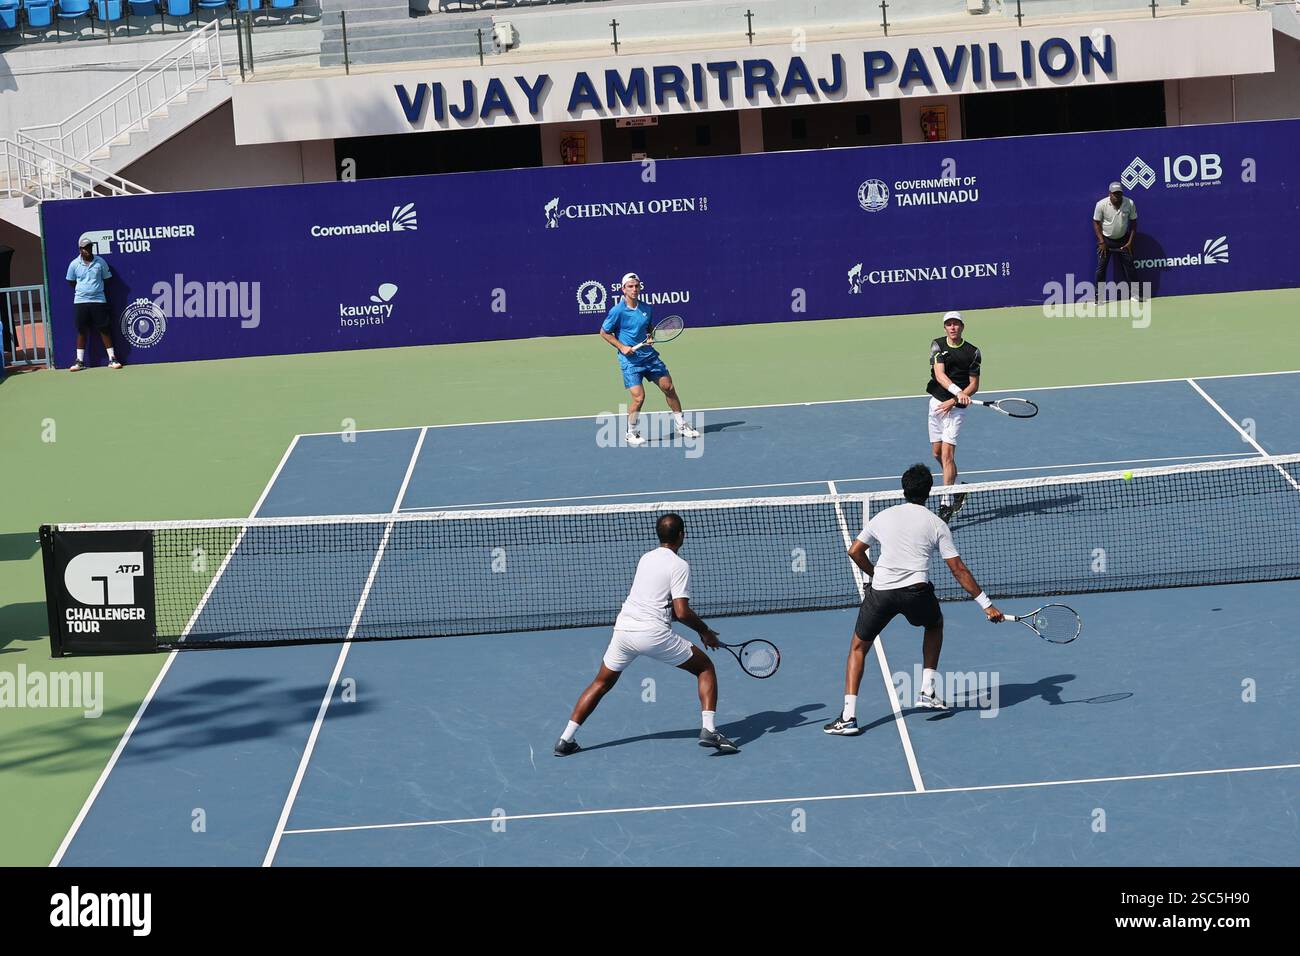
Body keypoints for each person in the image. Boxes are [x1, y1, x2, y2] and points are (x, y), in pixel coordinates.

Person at [824, 464, 1003, 734]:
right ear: (929, 492)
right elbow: (958, 569)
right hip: (916, 594)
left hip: (880, 593)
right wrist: (986, 605)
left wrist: (875, 574)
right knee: (934, 625)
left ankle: (848, 717)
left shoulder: (883, 516)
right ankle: (927, 690)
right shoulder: (936, 523)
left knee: (858, 648)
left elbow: (855, 551)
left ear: (904, 489)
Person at [555, 512, 739, 756]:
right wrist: (705, 632)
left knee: (601, 682)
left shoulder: (646, 558)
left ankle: (565, 739)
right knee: (704, 668)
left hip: (623, 630)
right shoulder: (679, 565)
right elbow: (681, 612)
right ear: (682, 536)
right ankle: (709, 730)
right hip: (652, 634)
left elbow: (659, 601)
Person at [598, 272, 700, 447]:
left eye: (637, 286)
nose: (634, 289)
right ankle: (631, 432)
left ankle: (681, 425)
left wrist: (650, 336)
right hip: (630, 362)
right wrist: (622, 347)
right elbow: (604, 332)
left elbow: (649, 328)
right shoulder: (617, 311)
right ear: (623, 289)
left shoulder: (647, 308)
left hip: (650, 357)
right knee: (639, 398)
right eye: (630, 286)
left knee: (669, 388)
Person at [925, 311, 980, 523]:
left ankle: (945, 504)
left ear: (962, 327)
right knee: (937, 454)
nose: (952, 327)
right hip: (937, 404)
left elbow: (974, 384)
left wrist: (956, 401)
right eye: (949, 324)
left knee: (948, 456)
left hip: (956, 411)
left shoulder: (973, 352)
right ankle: (958, 489)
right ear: (945, 328)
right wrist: (958, 394)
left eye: (956, 324)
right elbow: (939, 375)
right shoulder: (937, 345)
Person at [66, 239, 121, 371]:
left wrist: (95, 290)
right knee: (82, 330)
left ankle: (112, 359)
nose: (88, 250)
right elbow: (71, 282)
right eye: (85, 248)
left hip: (99, 300)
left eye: (89, 247)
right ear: (80, 249)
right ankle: (79, 361)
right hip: (80, 301)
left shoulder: (100, 262)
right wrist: (84, 291)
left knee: (104, 329)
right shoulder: (74, 264)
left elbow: (107, 279)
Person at [1093, 182, 1139, 297]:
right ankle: (1099, 296)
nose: (1117, 196)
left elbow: (1133, 223)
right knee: (1101, 269)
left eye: (1119, 193)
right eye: (1114, 194)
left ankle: (1135, 294)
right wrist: (1101, 242)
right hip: (1106, 241)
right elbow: (1096, 222)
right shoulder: (1101, 204)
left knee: (1130, 267)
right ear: (1110, 194)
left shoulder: (1129, 203)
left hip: (1123, 240)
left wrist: (1130, 242)